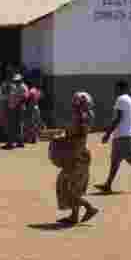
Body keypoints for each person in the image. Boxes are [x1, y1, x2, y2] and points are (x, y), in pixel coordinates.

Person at [54, 92, 99, 224]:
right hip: (80, 154)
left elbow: (75, 135)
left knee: (63, 185)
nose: (73, 106)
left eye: (75, 103)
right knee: (75, 187)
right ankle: (74, 216)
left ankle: (89, 207)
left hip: (76, 156)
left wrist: (61, 137)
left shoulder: (80, 117)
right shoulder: (85, 116)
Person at [95, 80, 131, 193]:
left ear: (120, 88)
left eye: (116, 88)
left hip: (123, 136)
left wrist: (107, 134)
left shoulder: (121, 99)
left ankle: (108, 185)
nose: (115, 91)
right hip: (123, 135)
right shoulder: (128, 99)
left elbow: (118, 118)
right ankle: (108, 185)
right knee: (115, 162)